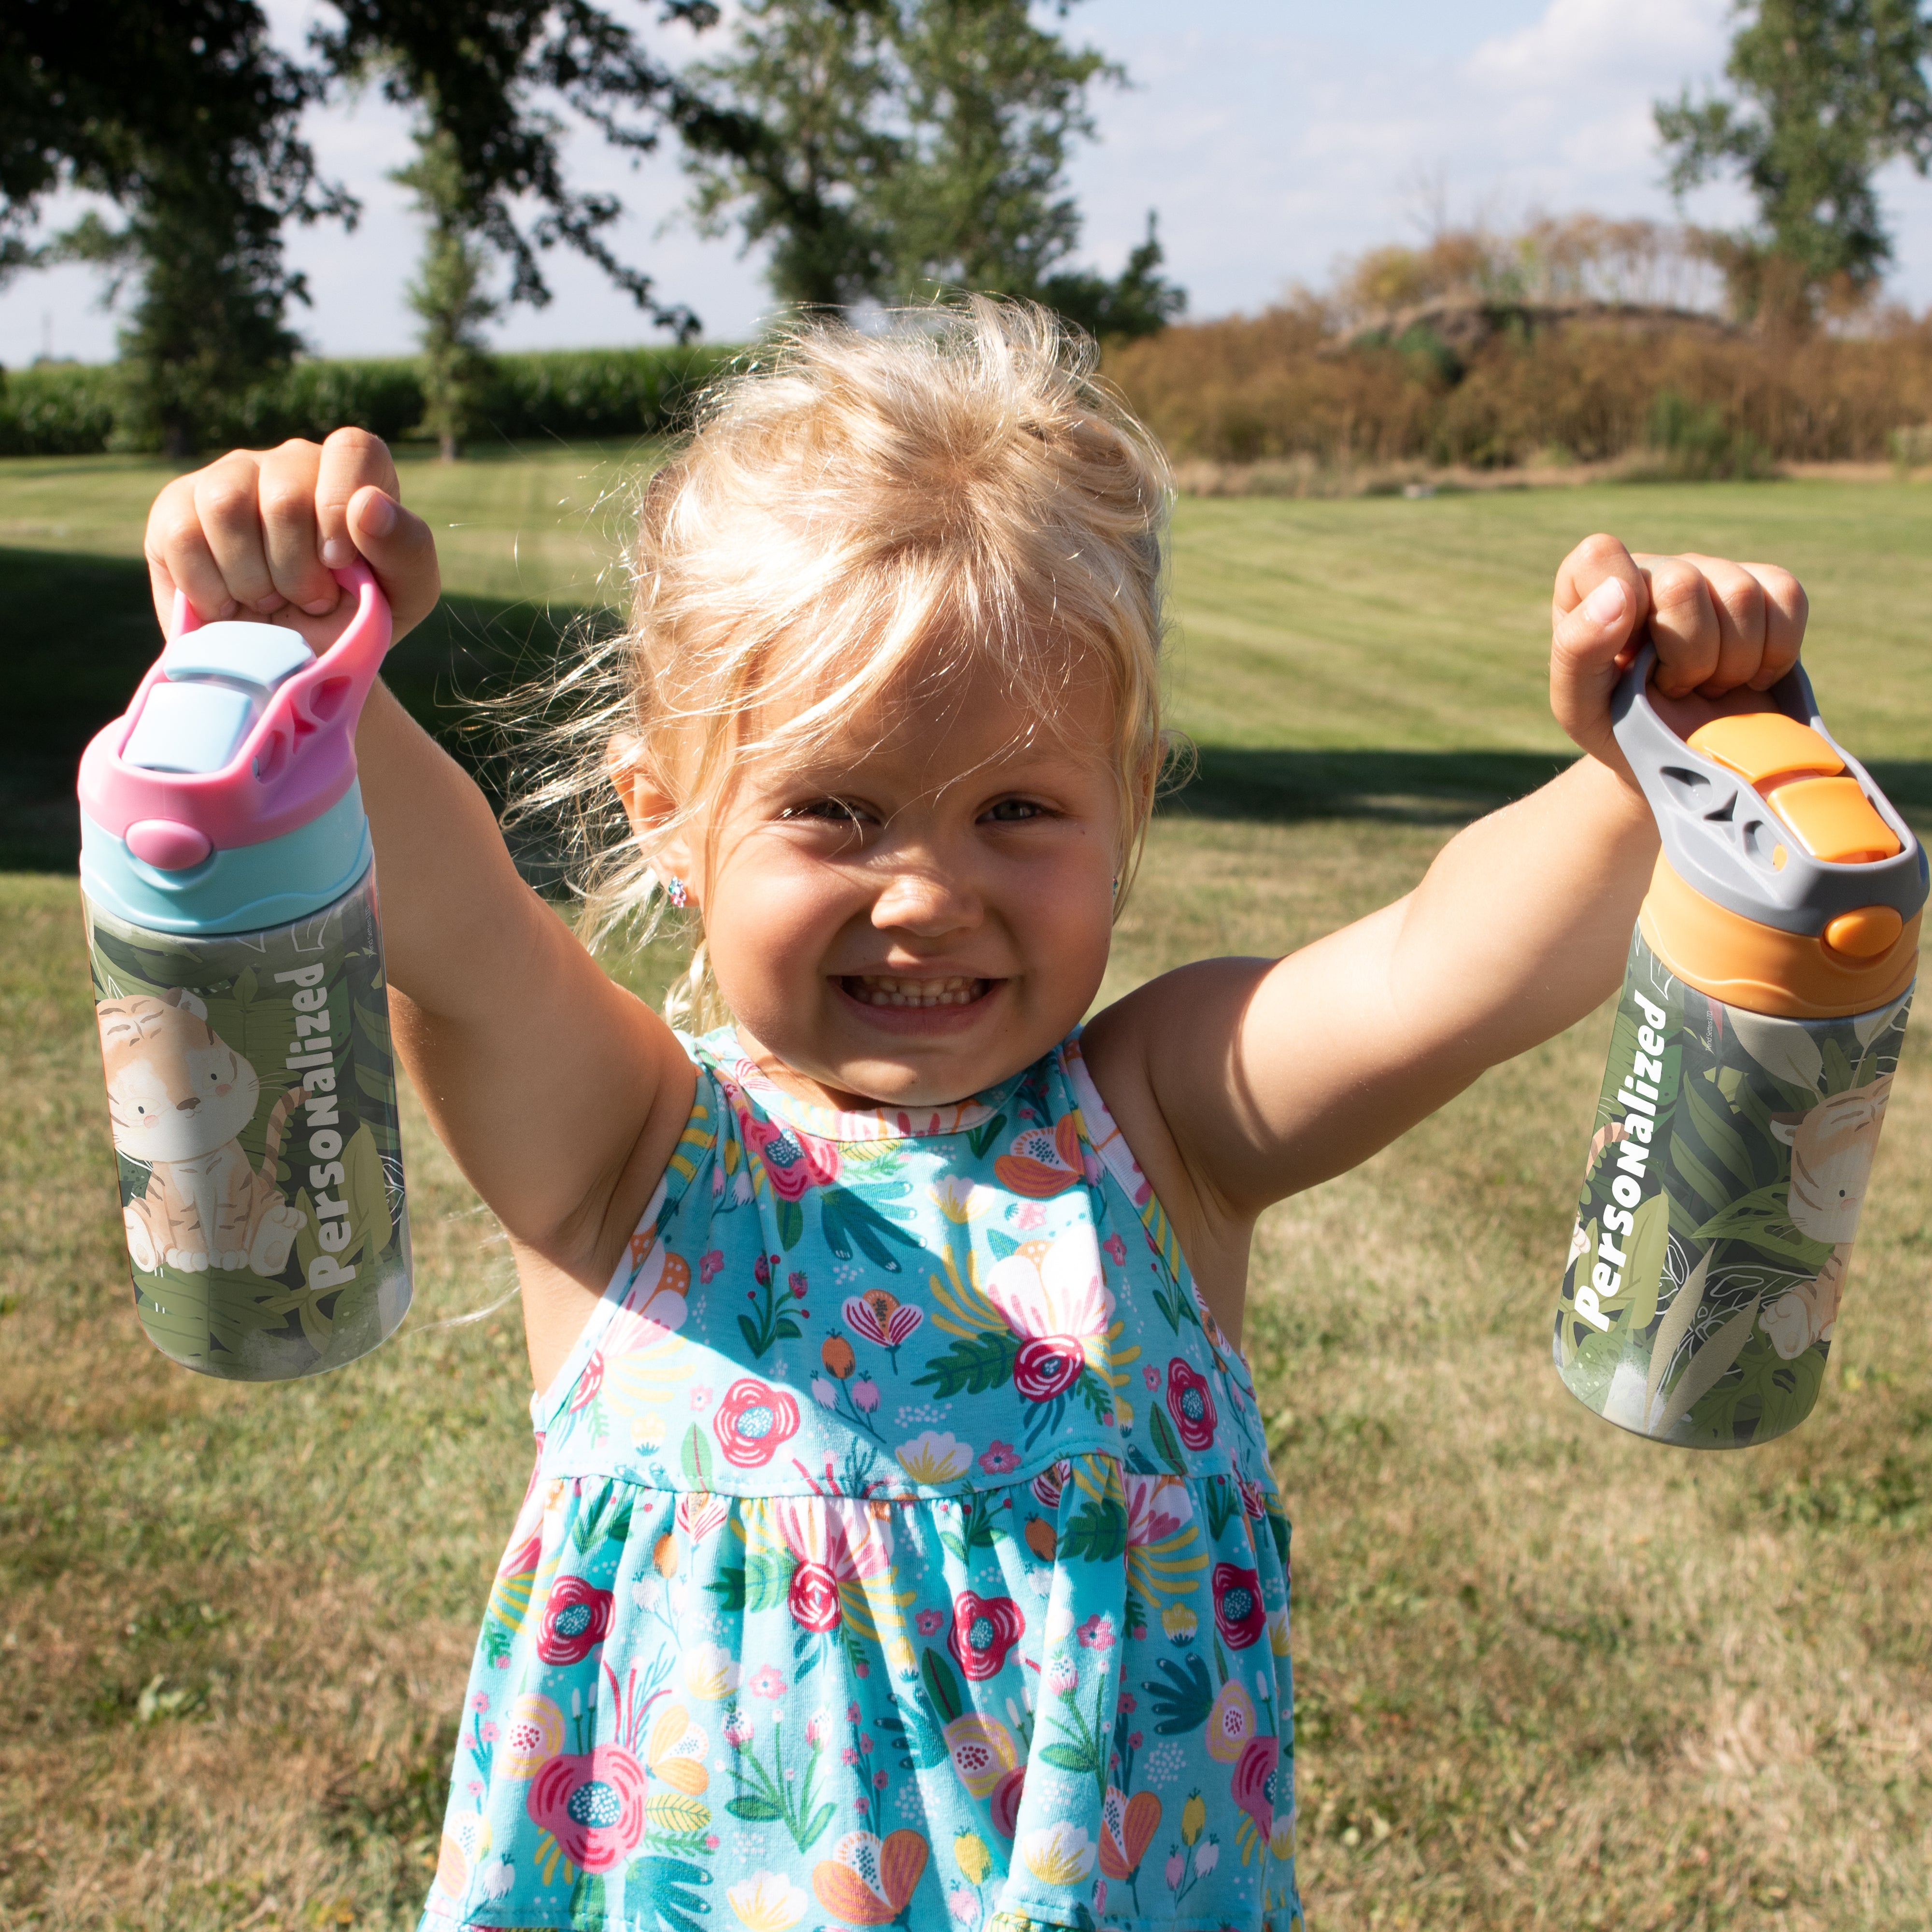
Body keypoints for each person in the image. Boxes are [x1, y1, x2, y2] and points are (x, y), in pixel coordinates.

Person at [139, 299, 1806, 1932]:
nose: (927, 894)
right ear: (668, 818)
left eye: (1019, 809)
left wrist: (1645, 765)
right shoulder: (630, 1155)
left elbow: (1454, 966)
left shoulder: (1163, 1132)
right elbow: (463, 935)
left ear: (1129, 802)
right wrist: (298, 677)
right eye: (834, 810)